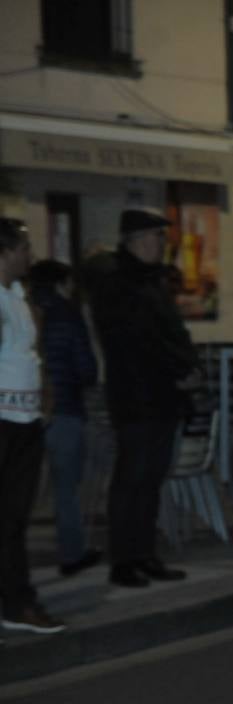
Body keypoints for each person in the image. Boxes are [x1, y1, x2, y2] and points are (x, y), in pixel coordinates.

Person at [87, 209, 199, 588]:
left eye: (161, 238)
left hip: (162, 396)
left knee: (151, 479)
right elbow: (139, 339)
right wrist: (179, 369)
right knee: (131, 480)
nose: (160, 244)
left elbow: (173, 333)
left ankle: (145, 554)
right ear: (133, 240)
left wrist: (189, 367)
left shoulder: (152, 281)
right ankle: (124, 560)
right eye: (154, 237)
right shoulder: (118, 283)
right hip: (137, 396)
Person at [0, 219, 66, 634]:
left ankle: (15, 603)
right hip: (3, 420)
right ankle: (18, 602)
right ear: (4, 252)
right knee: (5, 520)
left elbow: (30, 356)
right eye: (24, 248)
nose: (31, 256)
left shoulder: (20, 296)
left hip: (24, 421)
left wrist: (44, 399)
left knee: (13, 519)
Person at [30, 259, 101, 576]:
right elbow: (86, 369)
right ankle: (71, 556)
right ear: (61, 283)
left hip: (24, 411)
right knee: (65, 489)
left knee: (19, 491)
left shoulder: (20, 311)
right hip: (65, 410)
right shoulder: (68, 314)